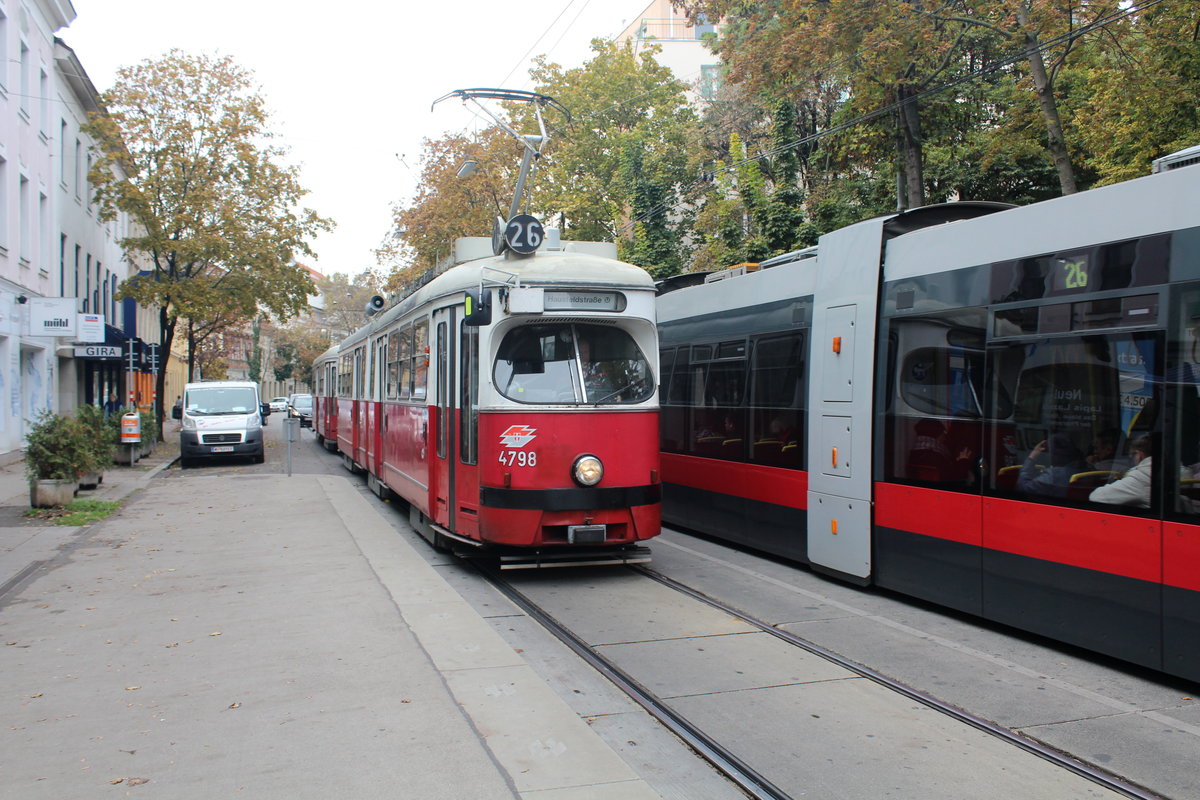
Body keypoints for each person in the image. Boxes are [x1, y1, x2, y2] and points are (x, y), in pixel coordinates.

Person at [1090, 435, 1153, 508]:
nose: (1095, 452)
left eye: (1097, 448)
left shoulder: (1141, 477)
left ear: (1138, 455)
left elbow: (1096, 496)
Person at [1017, 432, 1084, 497]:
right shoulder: (1086, 468)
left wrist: (1032, 457)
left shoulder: (1053, 476)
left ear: (1053, 455)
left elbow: (1023, 488)